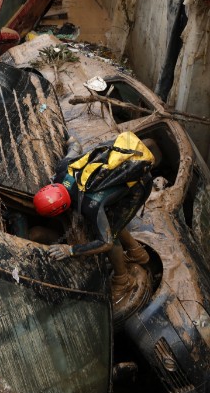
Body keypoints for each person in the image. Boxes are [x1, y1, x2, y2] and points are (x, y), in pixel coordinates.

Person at [34, 133, 157, 310]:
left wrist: (70, 250)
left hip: (138, 186)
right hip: (117, 180)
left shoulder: (90, 206)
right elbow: (75, 147)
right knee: (110, 221)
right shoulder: (62, 170)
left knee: (111, 235)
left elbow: (105, 243)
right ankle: (137, 252)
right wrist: (71, 139)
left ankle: (123, 280)